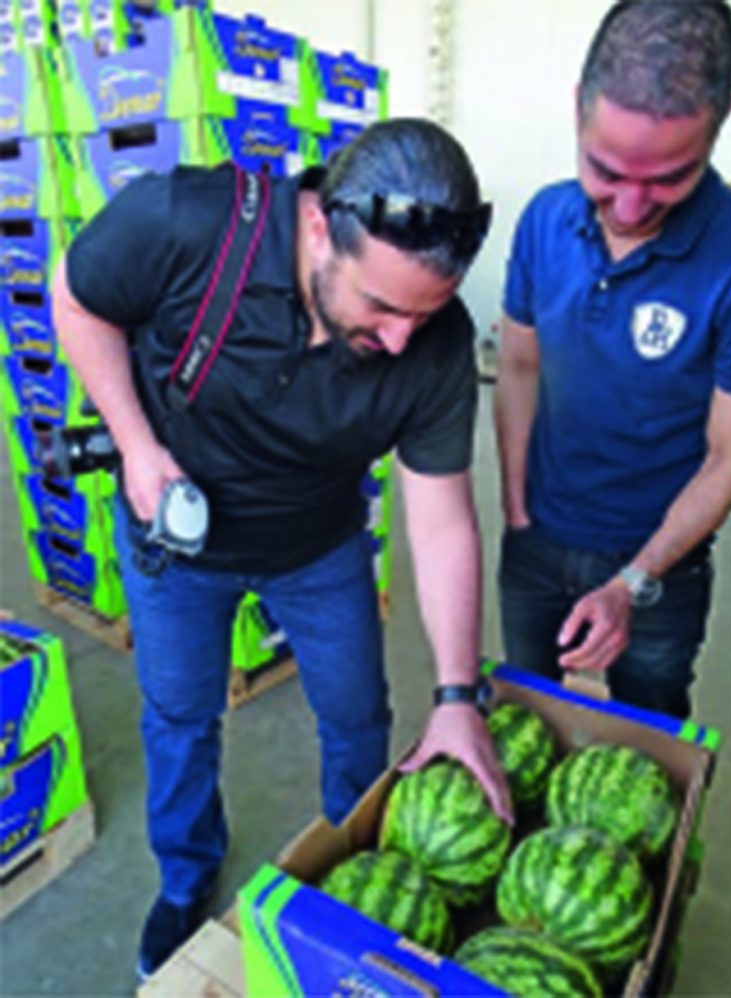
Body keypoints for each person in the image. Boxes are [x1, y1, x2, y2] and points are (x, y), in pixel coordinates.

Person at [52, 118, 512, 979]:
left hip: (321, 548)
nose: (403, 338)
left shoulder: (436, 343)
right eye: (380, 306)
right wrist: (138, 447)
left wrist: (456, 694)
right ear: (315, 228)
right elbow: (76, 299)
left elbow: (443, 514)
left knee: (356, 719)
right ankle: (186, 881)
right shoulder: (188, 223)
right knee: (181, 719)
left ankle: (352, 886)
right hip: (178, 543)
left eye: (426, 311)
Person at [494, 0, 731, 719]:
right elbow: (517, 365)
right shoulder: (543, 219)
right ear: (578, 110)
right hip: (537, 537)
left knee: (650, 735)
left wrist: (633, 581)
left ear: (723, 118)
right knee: (525, 723)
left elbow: (730, 458)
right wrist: (514, 504)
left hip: (662, 563)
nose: (630, 207)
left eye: (667, 179)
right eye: (605, 170)